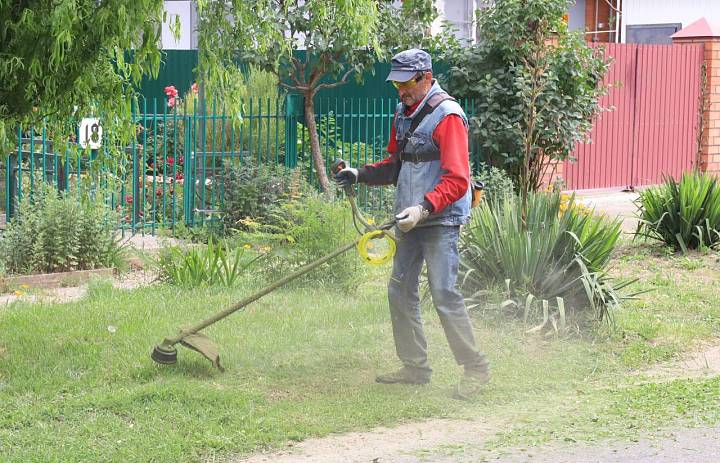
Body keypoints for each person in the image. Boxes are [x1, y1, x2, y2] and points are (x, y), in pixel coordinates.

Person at [334, 49, 490, 400]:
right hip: (410, 219)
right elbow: (396, 165)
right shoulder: (403, 114)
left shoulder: (448, 116)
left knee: (444, 294)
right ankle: (415, 367)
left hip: (440, 219)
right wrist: (358, 174)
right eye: (396, 84)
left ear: (426, 77)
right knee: (400, 291)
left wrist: (424, 209)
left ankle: (476, 369)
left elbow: (458, 179)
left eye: (406, 83)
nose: (400, 90)